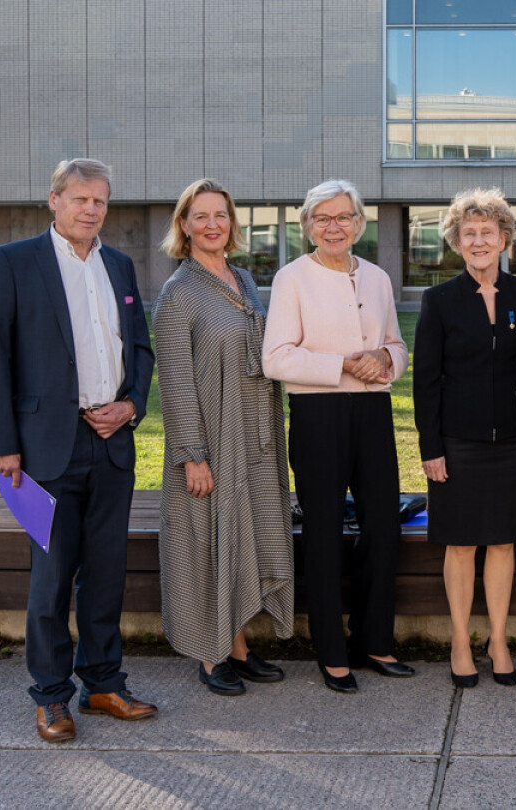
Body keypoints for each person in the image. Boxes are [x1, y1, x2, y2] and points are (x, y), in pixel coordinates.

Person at [0, 158, 157, 743]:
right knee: (52, 579)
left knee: (106, 574)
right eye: (79, 198)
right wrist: (2, 446)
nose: (91, 209)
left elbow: (141, 350)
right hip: (43, 449)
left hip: (111, 445)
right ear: (53, 200)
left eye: (100, 200)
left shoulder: (120, 266)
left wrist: (130, 404)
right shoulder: (13, 262)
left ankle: (103, 683)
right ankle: (51, 696)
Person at [262, 179, 413, 694]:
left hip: (372, 411)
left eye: (342, 217)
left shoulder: (375, 277)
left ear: (358, 224)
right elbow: (276, 357)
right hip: (316, 414)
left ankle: (374, 640)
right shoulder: (291, 278)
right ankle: (331, 651)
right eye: (322, 218)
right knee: (324, 532)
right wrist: (343, 364)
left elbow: (396, 344)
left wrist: (386, 359)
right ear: (308, 226)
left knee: (382, 527)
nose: (333, 226)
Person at [152, 178, 294, 697]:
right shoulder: (179, 294)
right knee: (211, 542)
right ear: (183, 226)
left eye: (222, 215)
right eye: (202, 216)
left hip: (255, 434)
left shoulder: (244, 280)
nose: (213, 224)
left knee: (246, 538)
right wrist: (192, 455)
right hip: (212, 437)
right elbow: (175, 381)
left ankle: (237, 646)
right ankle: (211, 656)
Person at [413, 188, 516, 688]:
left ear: (504, 238)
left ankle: (500, 640)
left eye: (488, 232)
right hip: (458, 442)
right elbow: (425, 380)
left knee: (504, 543)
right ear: (456, 242)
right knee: (462, 545)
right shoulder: (439, 300)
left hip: (511, 441)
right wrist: (431, 448)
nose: (479, 241)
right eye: (469, 234)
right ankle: (461, 641)